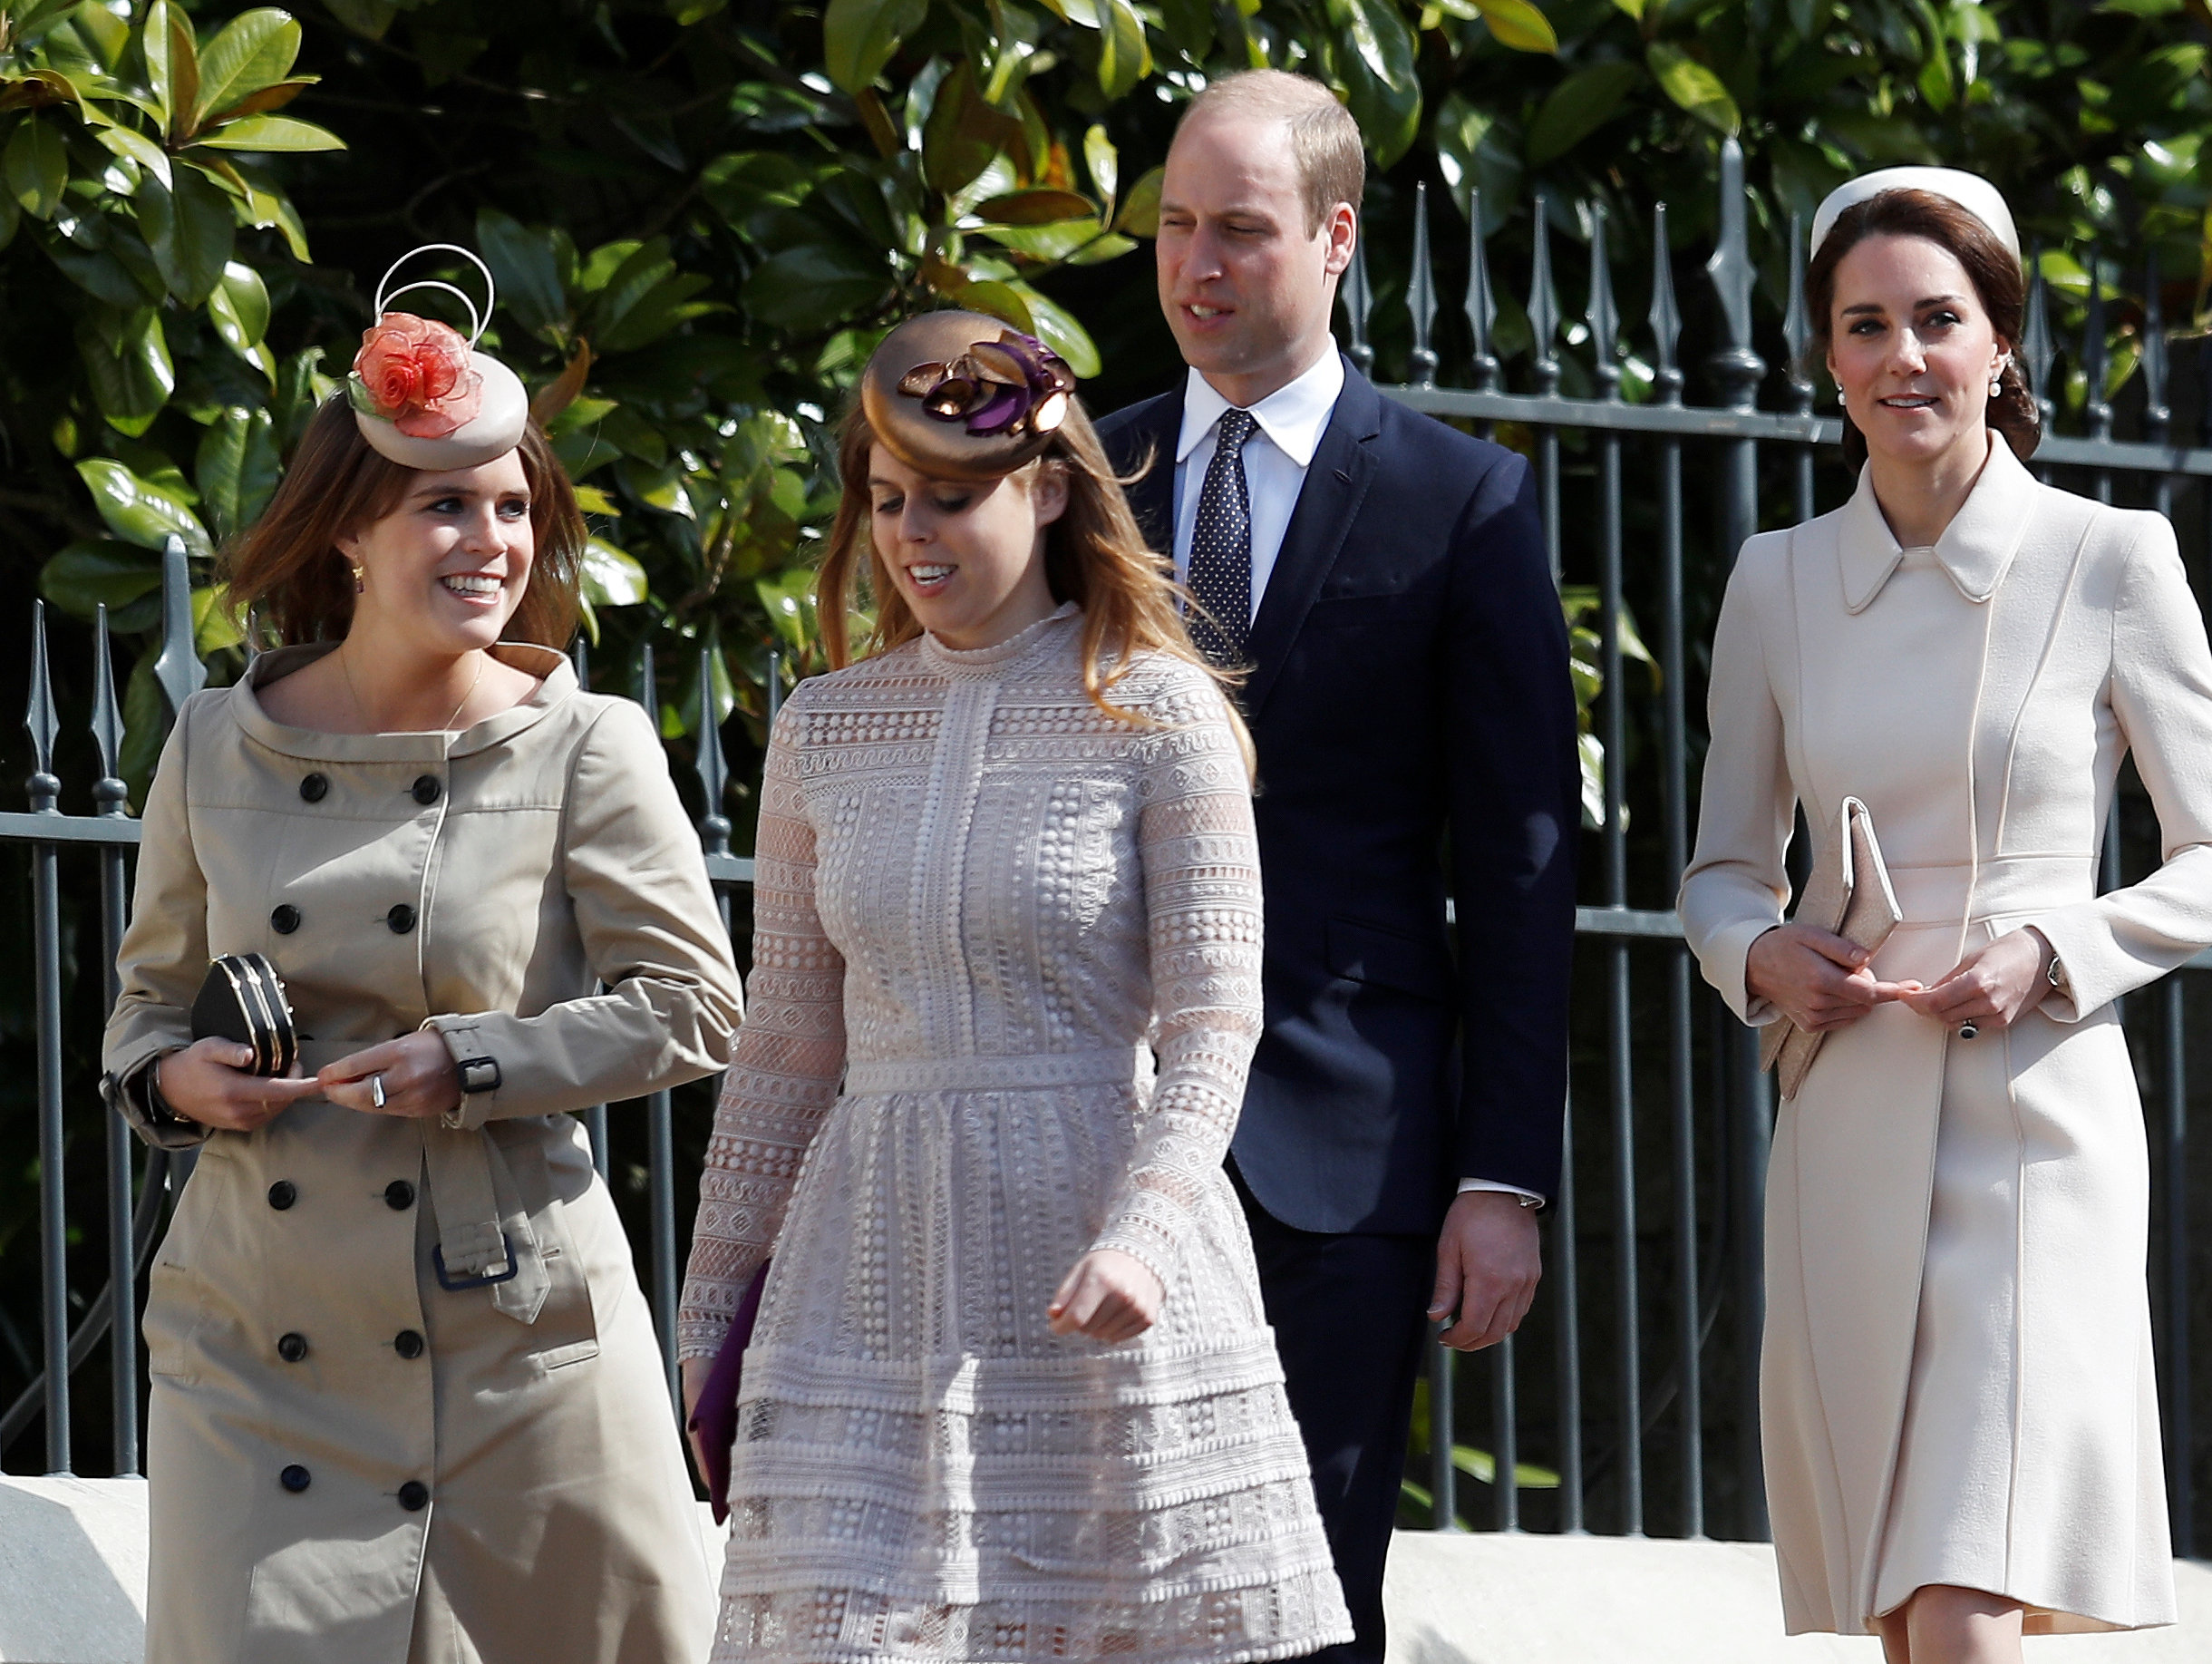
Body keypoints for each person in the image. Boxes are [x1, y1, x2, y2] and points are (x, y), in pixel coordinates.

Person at [675, 310, 1352, 1663]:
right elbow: (786, 1046)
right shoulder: (822, 729)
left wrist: (1145, 1235)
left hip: (1093, 1264)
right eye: (884, 501)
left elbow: (1215, 1018)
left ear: (1045, 491)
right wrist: (708, 1310)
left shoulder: (1157, 711)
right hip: (866, 1274)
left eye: (950, 497)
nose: (911, 534)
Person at [101, 248, 742, 1664]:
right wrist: (179, 1078)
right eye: (444, 504)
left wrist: (479, 1057)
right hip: (256, 1339)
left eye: (513, 506)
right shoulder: (216, 739)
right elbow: (144, 1005)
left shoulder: (587, 743)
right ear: (347, 531)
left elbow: (696, 1006)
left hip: (522, 1347)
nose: (491, 541)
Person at [1680, 170, 2212, 1663]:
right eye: (1863, 325)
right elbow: (1717, 871)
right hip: (1841, 1117)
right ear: (1824, 355)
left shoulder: (2109, 557)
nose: (1902, 359)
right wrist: (1758, 950)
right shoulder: (1774, 581)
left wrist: (2053, 949)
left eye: (1937, 321)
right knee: (1906, 1592)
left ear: (1999, 341)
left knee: (1960, 1576)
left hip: (2037, 1125)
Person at [1091, 72, 1578, 1661]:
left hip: (1342, 1147)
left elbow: (1517, 859)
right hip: (1090, 1128)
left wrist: (1498, 1176)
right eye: (1173, 227)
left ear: (1337, 237)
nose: (1194, 265)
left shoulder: (1461, 498)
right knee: (1093, 1593)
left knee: (1305, 1602)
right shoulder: (1088, 487)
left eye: (1237, 229)